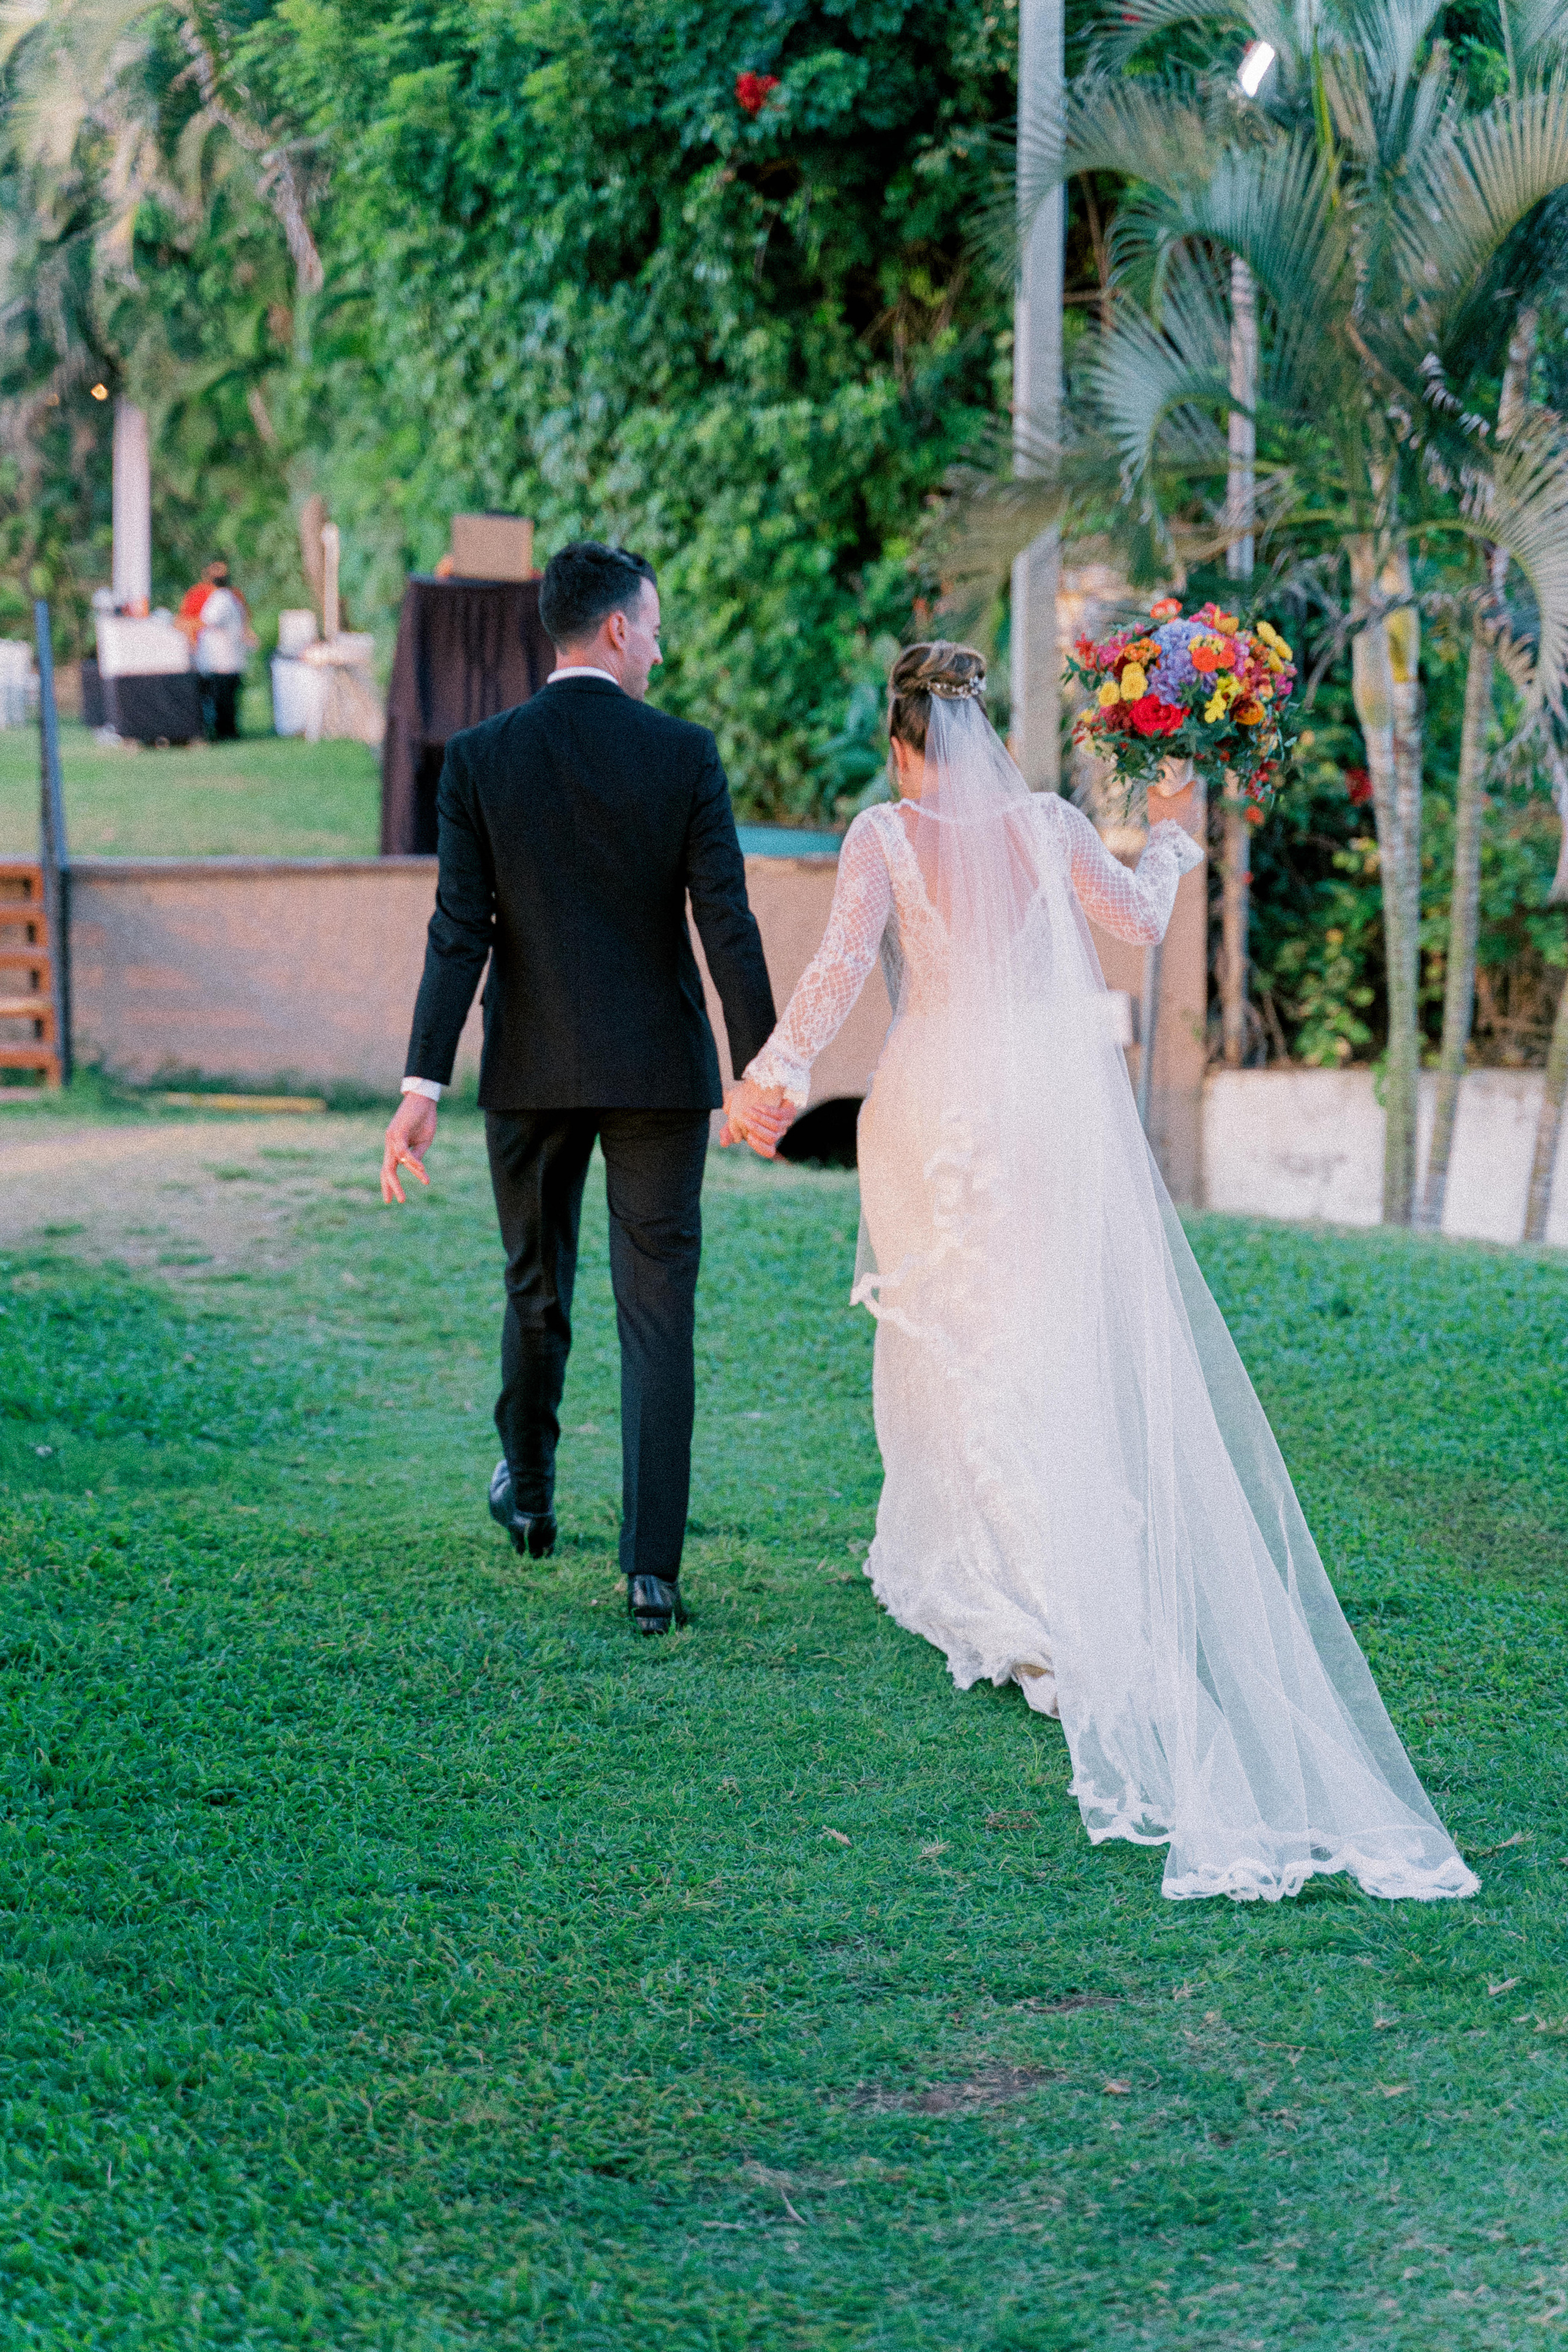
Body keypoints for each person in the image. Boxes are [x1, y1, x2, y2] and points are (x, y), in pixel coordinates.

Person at [725, 641, 1477, 1905]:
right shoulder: (1049, 824)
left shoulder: (884, 835)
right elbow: (1134, 920)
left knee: (949, 1330)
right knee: (1037, 1325)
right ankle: (1034, 1546)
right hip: (1042, 1102)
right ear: (979, 732)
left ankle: (994, 1562)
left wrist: (773, 1077)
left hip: (930, 1102)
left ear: (903, 744)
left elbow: (840, 970)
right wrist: (1170, 837)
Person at [380, 540, 777, 1637]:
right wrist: (762, 1067)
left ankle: (532, 1498)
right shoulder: (685, 753)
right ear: (614, 630)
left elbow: (458, 933)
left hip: (531, 1068)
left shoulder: (480, 758)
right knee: (658, 1313)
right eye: (653, 627)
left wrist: (423, 1083)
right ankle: (651, 1574)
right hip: (659, 1074)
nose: (659, 648)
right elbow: (727, 919)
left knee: (535, 1286)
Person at [178, 561, 252, 739]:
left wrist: (183, 624)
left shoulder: (221, 598)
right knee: (225, 701)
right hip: (226, 659)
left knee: (222, 701)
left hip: (221, 661)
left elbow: (207, 622)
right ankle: (227, 732)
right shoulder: (231, 597)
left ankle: (225, 733)